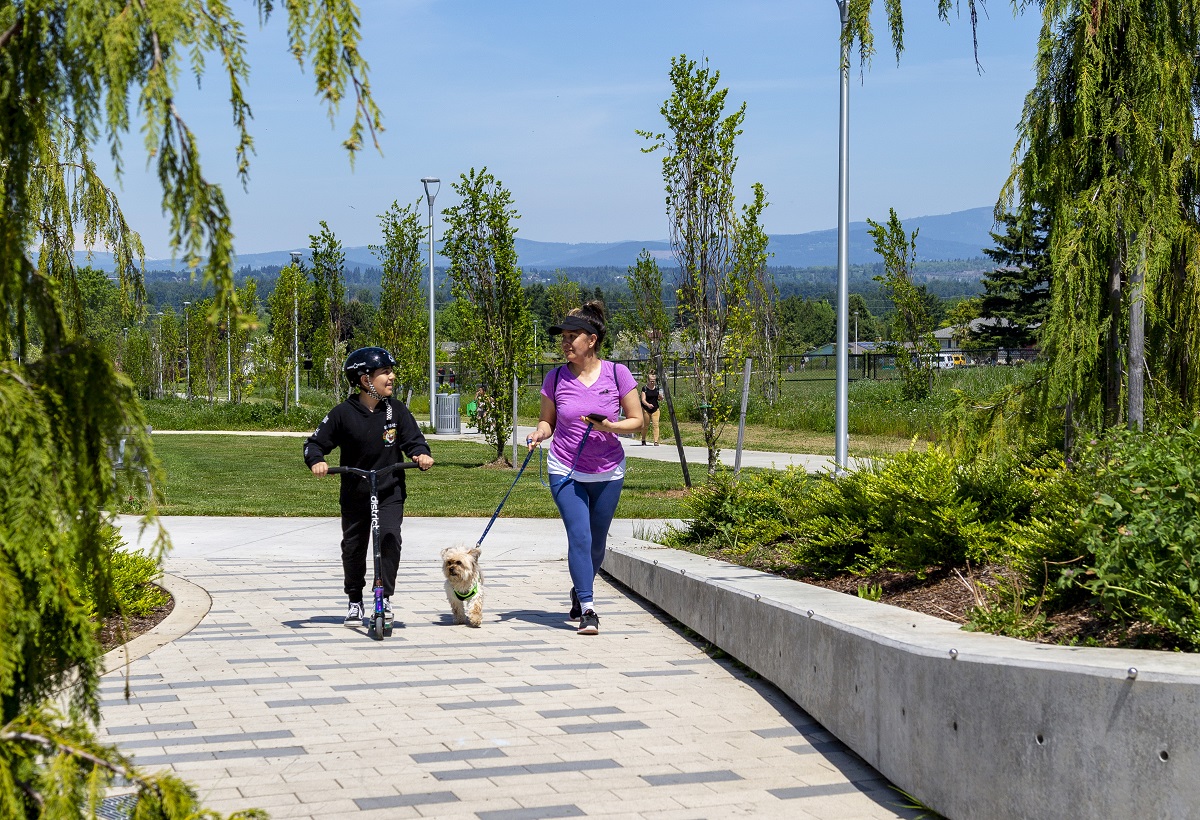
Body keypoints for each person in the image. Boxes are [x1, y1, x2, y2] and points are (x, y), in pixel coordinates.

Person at [527, 301, 642, 635]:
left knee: (596, 543)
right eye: (563, 336)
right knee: (579, 535)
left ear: (591, 340)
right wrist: (539, 433)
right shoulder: (555, 377)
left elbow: (636, 422)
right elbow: (547, 422)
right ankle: (589, 608)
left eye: (572, 336)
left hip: (608, 470)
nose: (565, 342)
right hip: (565, 467)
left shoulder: (617, 374)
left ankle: (580, 589)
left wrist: (610, 427)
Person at [304, 347, 433, 627]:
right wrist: (317, 461)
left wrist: (420, 454)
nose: (392, 376)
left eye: (390, 371)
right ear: (365, 380)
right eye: (385, 372)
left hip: (389, 490)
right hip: (355, 493)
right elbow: (313, 444)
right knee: (354, 547)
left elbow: (414, 440)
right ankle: (354, 600)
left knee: (388, 537)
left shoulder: (395, 410)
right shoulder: (342, 414)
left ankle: (384, 596)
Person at [639, 372, 661, 446]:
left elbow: (659, 398)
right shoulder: (644, 388)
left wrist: (661, 397)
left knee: (656, 424)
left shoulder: (657, 388)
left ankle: (656, 441)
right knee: (646, 425)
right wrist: (648, 405)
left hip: (655, 408)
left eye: (653, 380)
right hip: (646, 409)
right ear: (648, 380)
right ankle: (643, 439)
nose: (652, 382)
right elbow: (643, 399)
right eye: (651, 380)